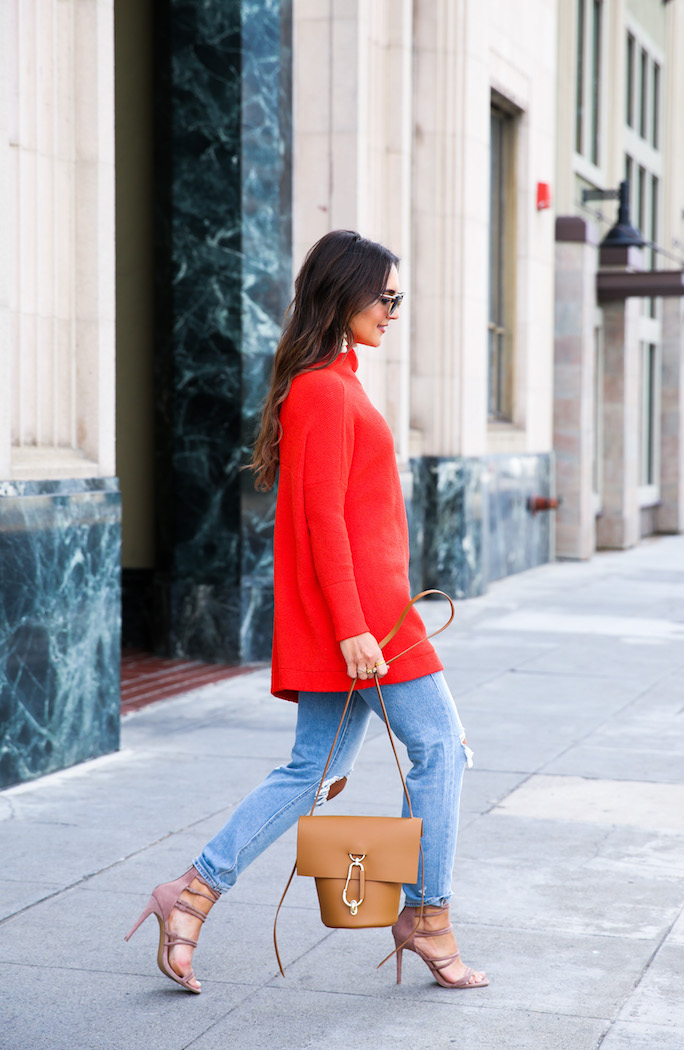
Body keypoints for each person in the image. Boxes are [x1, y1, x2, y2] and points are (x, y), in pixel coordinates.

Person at [125, 229, 488, 993]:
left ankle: (189, 896)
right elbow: (323, 519)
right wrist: (357, 626)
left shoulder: (337, 382)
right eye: (384, 296)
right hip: (372, 623)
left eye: (397, 298)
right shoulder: (324, 388)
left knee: (310, 774)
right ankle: (426, 914)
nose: (393, 310)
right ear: (343, 292)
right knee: (441, 750)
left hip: (366, 615)